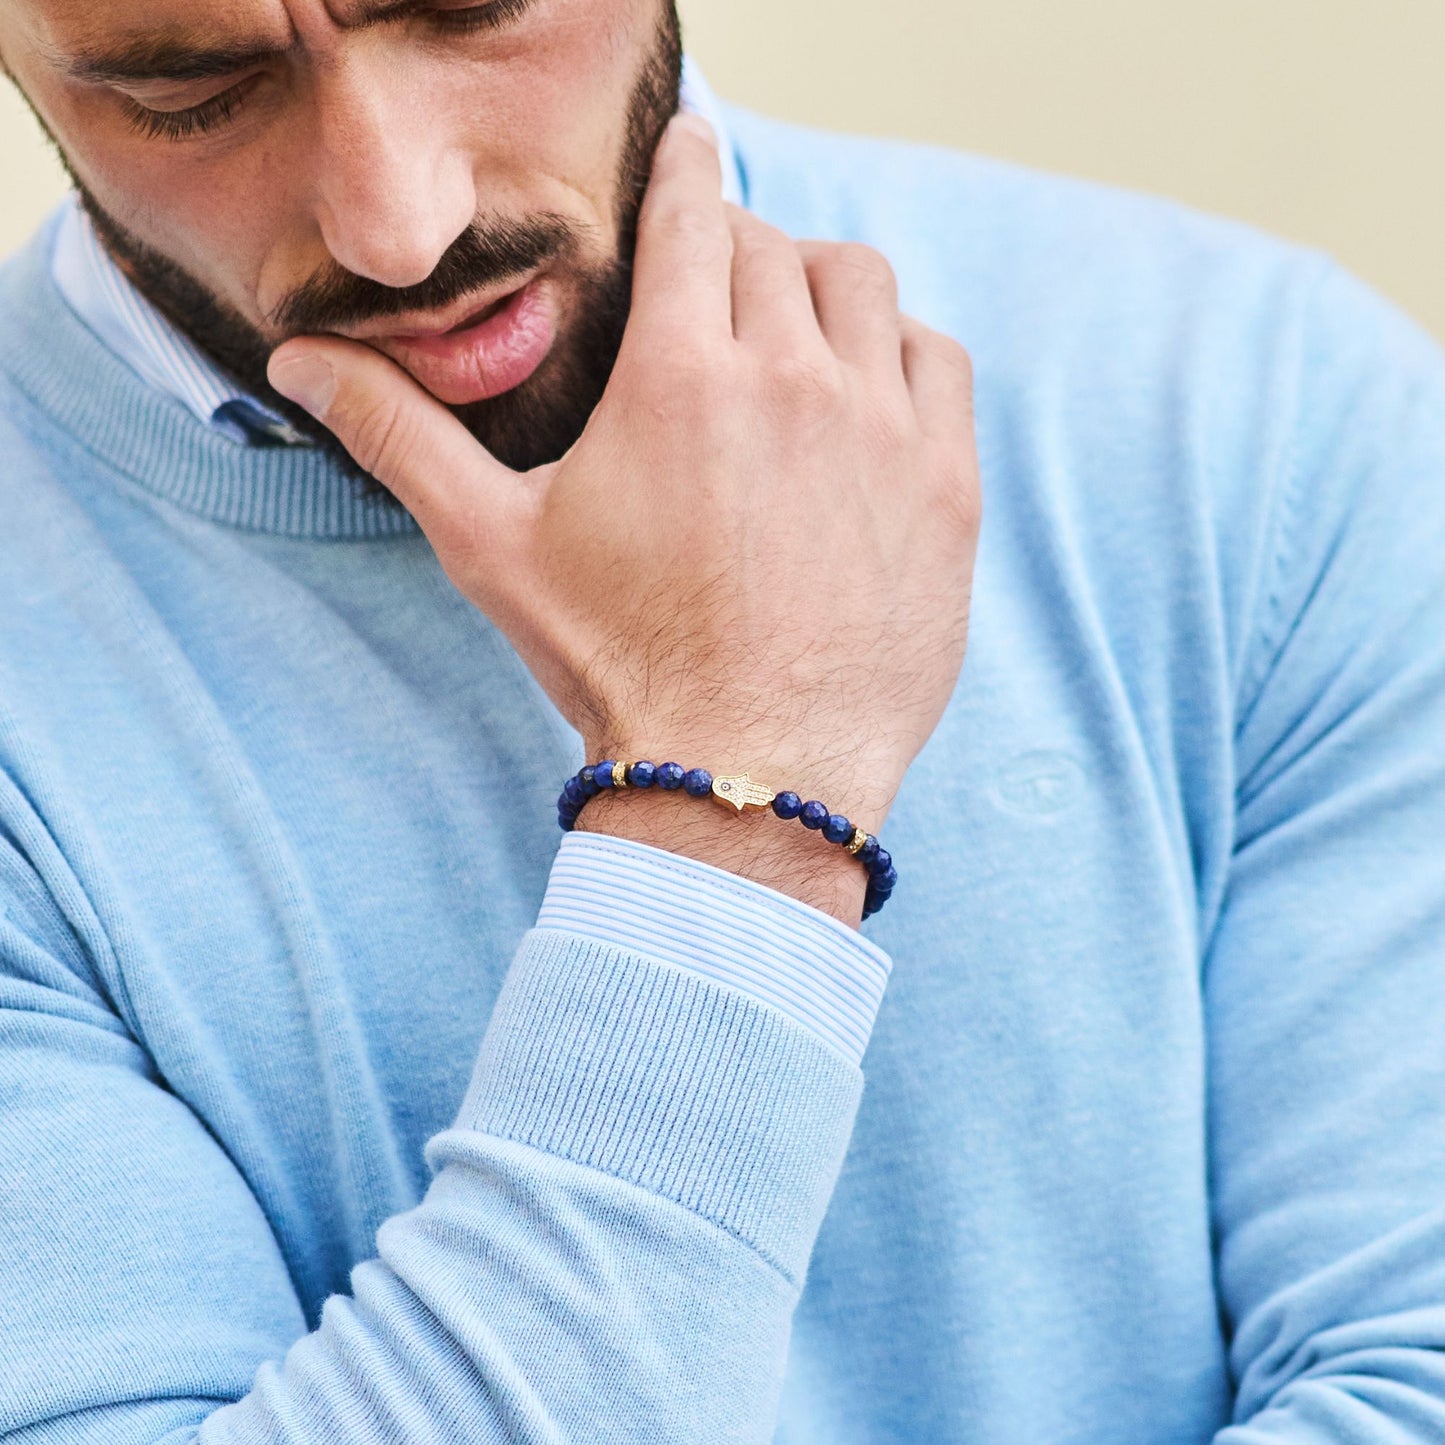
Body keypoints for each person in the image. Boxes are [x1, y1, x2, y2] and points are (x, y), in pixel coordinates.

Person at [1, 0, 1442, 1440]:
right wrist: (732, 808)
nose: (400, 222)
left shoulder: (1260, 425)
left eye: (470, 9)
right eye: (185, 92)